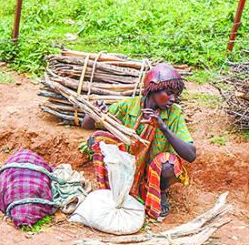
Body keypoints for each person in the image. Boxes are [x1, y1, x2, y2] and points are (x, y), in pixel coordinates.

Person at [82, 63, 197, 221]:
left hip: (153, 172)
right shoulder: (128, 107)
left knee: (169, 163)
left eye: (176, 94)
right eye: (169, 93)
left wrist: (163, 127)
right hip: (127, 169)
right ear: (152, 89)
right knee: (100, 138)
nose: (173, 99)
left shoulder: (174, 114)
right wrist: (95, 112)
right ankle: (111, 188)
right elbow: (86, 125)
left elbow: (191, 154)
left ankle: (159, 191)